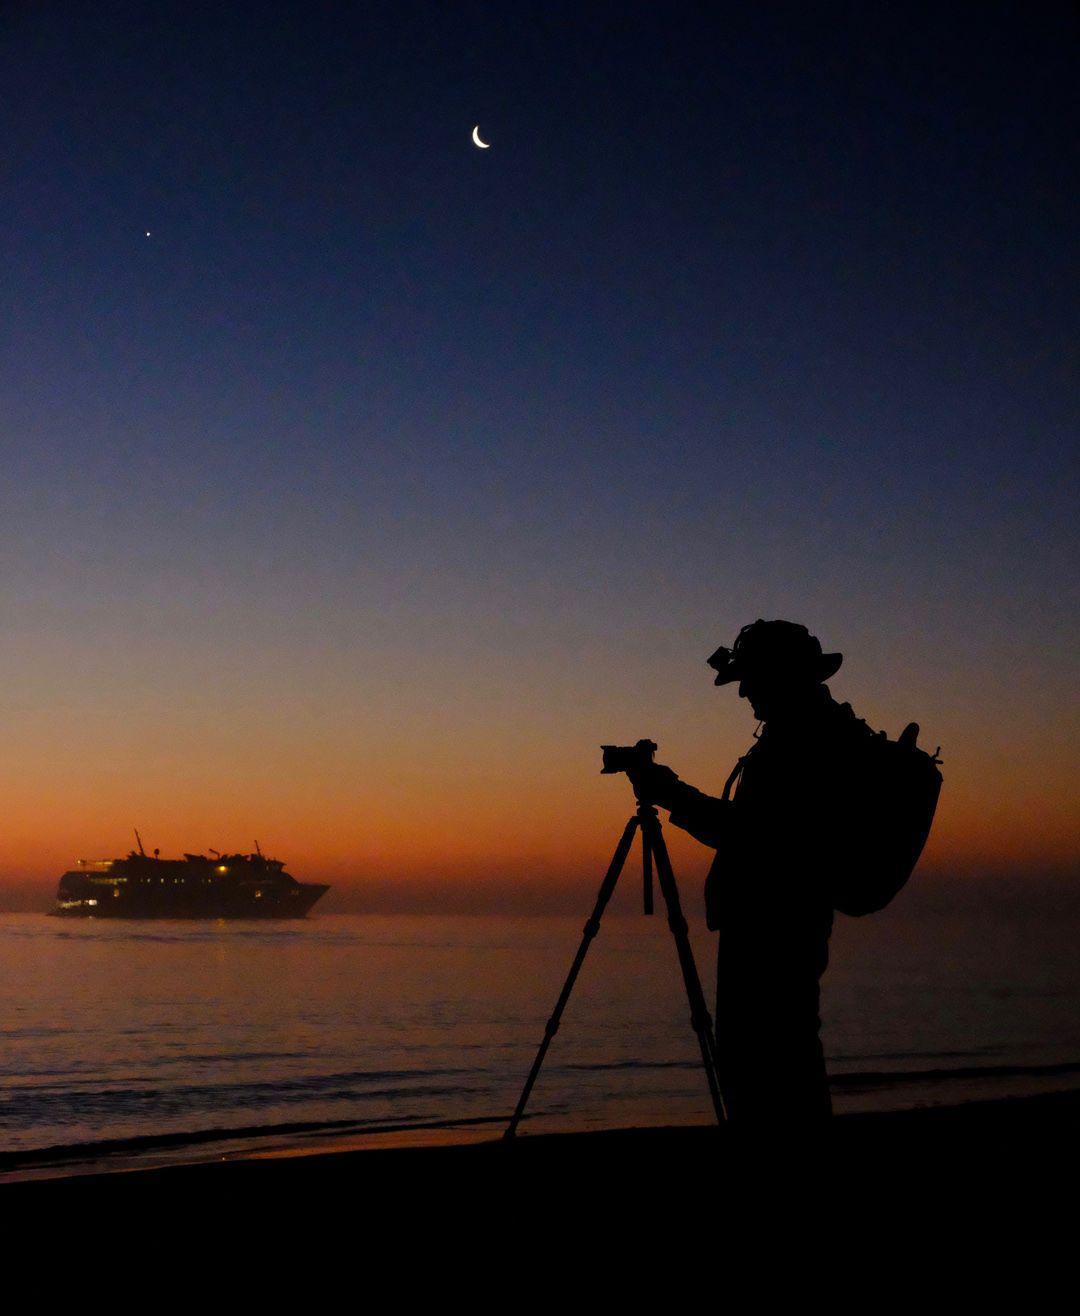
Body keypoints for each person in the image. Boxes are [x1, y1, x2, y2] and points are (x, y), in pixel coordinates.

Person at [629, 619, 866, 1123]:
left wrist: (669, 793)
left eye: (751, 680)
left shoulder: (800, 743)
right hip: (786, 923)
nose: (744, 693)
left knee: (765, 1061)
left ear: (780, 677)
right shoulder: (809, 732)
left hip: (772, 927)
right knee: (786, 1057)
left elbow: (750, 836)